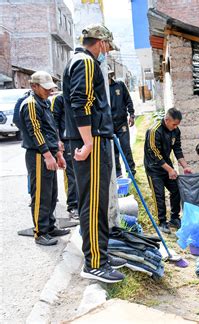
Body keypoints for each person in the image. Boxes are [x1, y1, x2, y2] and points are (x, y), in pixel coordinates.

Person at [62, 23, 125, 283]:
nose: (107, 52)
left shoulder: (79, 60)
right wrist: (88, 143)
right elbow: (82, 102)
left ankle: (101, 253)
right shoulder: (86, 63)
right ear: (99, 42)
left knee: (96, 203)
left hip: (94, 139)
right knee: (93, 204)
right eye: (107, 47)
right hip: (92, 142)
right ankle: (95, 262)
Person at [17, 71, 70, 246]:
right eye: (45, 88)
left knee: (51, 193)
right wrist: (48, 155)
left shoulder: (44, 102)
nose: (49, 91)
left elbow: (51, 128)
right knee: (40, 195)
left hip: (49, 154)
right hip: (38, 155)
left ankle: (50, 226)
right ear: (34, 86)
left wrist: (58, 153)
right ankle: (40, 232)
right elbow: (36, 132)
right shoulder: (31, 104)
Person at [144, 108, 192, 234]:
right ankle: (162, 222)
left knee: (176, 189)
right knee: (159, 195)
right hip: (153, 167)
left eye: (177, 125)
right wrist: (170, 169)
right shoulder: (154, 131)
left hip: (167, 165)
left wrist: (185, 166)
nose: (176, 127)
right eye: (174, 124)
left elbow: (177, 149)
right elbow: (155, 154)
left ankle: (175, 218)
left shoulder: (175, 131)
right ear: (167, 120)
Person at [50, 93, 79, 219]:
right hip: (67, 141)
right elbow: (53, 121)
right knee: (72, 176)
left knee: (82, 175)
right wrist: (58, 140)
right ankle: (73, 206)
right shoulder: (59, 99)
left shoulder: (80, 95)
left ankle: (83, 204)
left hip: (81, 139)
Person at [108, 69, 136, 177]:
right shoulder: (101, 88)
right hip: (109, 124)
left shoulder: (119, 85)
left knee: (126, 147)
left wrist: (132, 115)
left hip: (122, 122)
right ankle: (118, 174)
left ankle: (131, 171)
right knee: (114, 150)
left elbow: (128, 100)